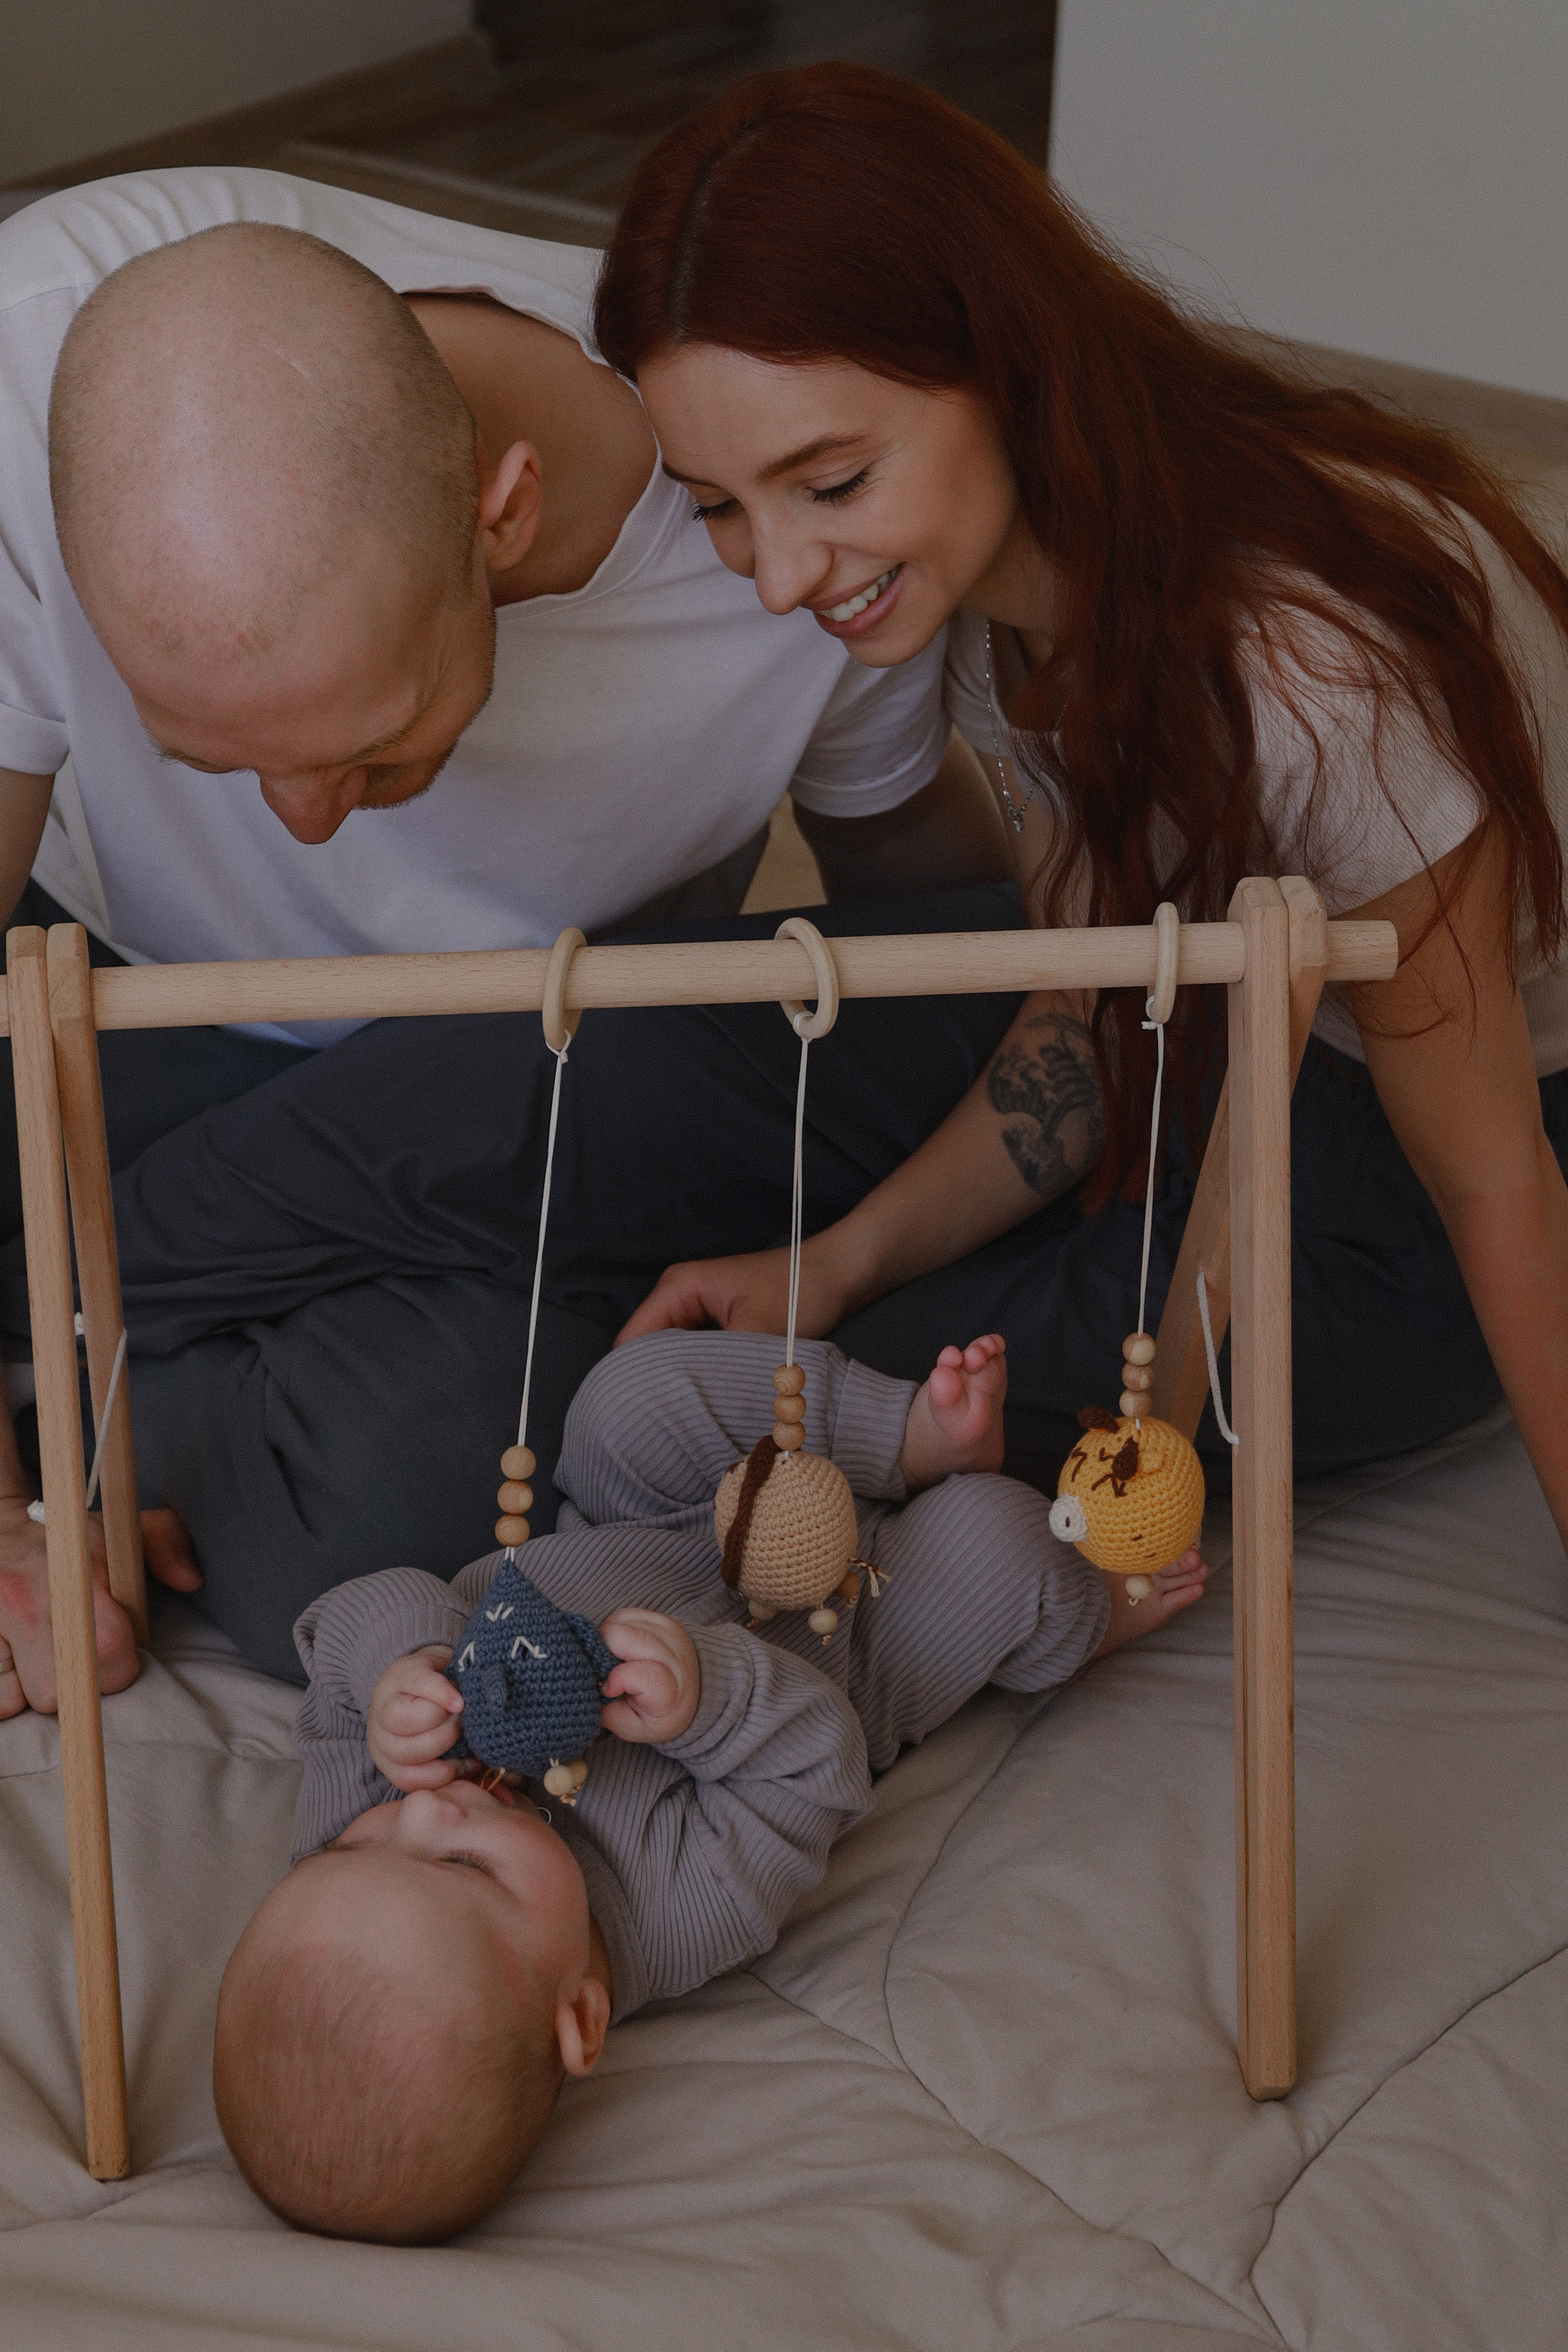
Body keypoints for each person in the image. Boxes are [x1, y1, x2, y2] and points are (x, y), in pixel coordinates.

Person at [0, 165, 1009, 1712]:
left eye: (380, 741)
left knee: (437, 1512)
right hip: (136, 1015)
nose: (309, 826)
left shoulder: (777, 507)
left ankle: (94, 1338)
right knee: (403, 1545)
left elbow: (909, 909)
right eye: (217, 759)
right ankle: (113, 1353)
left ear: (505, 511)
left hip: (520, 1095)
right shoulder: (27, 357)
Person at [583, 61, 1568, 1555]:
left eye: (830, 480)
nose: (780, 578)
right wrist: (833, 1266)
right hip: (1256, 1058)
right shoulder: (998, 608)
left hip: (1453, 1142)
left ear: (1007, 364)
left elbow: (1490, 1168)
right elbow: (1089, 1019)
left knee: (870, 1411)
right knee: (776, 1315)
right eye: (721, 505)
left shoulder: (1315, 670)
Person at [213, 1328, 1207, 2241]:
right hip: (856, 1627)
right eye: (469, 1867)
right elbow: (817, 1772)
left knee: (627, 1398)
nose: (426, 1807)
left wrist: (403, 1664)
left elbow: (347, 1617)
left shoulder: (372, 1801)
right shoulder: (678, 1913)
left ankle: (906, 1435)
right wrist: (708, 1701)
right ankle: (1090, 1617)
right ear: (585, 2015)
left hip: (645, 1522)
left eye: (360, 1844)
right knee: (1003, 1543)